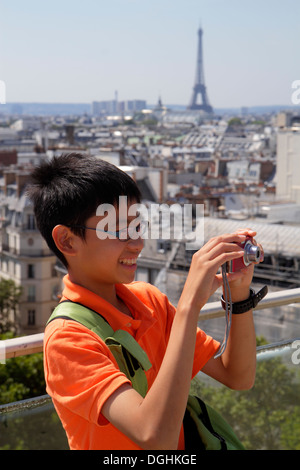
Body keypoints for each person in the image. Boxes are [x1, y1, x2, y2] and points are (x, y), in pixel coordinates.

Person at [27, 152, 262, 450]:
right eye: (119, 229)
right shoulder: (67, 340)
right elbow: (156, 438)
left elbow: (238, 376)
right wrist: (189, 305)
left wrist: (238, 294)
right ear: (67, 241)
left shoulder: (149, 300)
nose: (137, 243)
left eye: (137, 226)